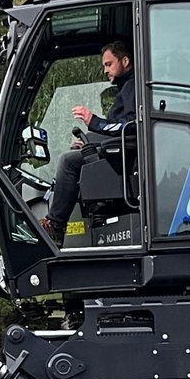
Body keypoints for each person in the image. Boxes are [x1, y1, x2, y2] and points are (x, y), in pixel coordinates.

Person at [40, 40, 135, 245]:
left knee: (68, 162)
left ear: (125, 61)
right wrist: (91, 142)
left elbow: (132, 127)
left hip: (124, 159)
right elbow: (119, 127)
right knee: (76, 155)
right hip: (118, 153)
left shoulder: (134, 87)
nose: (105, 70)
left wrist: (93, 122)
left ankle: (55, 226)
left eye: (109, 64)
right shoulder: (127, 88)